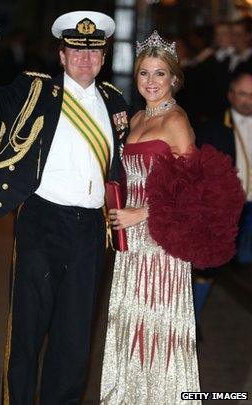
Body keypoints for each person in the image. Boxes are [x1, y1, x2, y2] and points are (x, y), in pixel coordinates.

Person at [0, 6, 129, 405]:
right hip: (42, 221)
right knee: (28, 333)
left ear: (103, 57)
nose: (85, 58)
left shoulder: (115, 102)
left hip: (90, 229)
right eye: (76, 50)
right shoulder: (33, 91)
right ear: (62, 56)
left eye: (94, 51)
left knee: (74, 338)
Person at [100, 31, 244, 404]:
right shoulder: (134, 119)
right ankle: (129, 394)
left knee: (159, 324)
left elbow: (194, 192)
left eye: (159, 73)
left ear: (174, 78)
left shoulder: (177, 121)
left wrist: (142, 213)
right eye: (144, 73)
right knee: (130, 320)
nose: (151, 81)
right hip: (131, 241)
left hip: (161, 238)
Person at [193, 71, 252, 328]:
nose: (248, 100)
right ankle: (191, 321)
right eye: (242, 94)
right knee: (209, 265)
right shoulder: (214, 128)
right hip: (229, 208)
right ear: (230, 95)